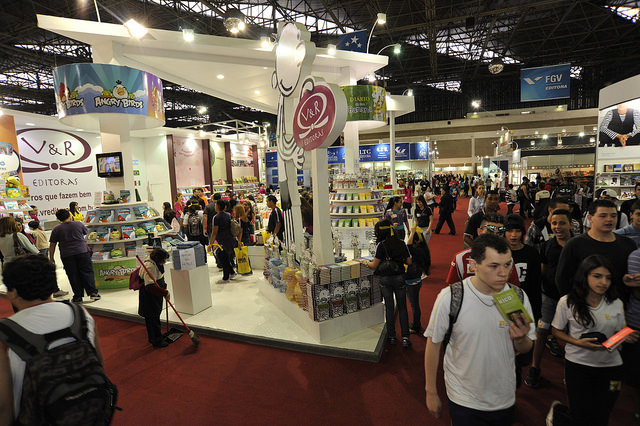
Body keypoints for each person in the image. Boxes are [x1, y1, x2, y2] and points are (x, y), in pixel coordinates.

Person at [424, 234, 535, 425]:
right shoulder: (451, 297)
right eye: (494, 266)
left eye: (508, 265)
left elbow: (526, 348)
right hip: (463, 398)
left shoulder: (516, 296)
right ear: (474, 265)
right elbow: (433, 344)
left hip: (504, 397)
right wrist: (431, 391)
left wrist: (520, 339)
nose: (503, 273)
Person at [0, 254, 104, 423]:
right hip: (87, 412)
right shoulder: (79, 314)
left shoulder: (5, 332)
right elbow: (98, 362)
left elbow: (3, 405)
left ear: (13, 292)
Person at [548, 255, 639, 426]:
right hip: (578, 365)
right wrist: (577, 342)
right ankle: (559, 414)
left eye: (608, 278)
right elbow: (556, 330)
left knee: (602, 415)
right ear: (585, 275)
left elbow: (621, 330)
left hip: (611, 367)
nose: (603, 282)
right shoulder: (567, 302)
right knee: (579, 415)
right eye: (597, 276)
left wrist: (626, 336)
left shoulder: (616, 303)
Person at [525, 209, 573, 388]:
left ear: (570, 224)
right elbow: (543, 269)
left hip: (572, 300)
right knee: (542, 332)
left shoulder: (577, 245)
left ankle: (571, 374)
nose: (557, 227)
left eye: (562, 223)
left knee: (571, 335)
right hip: (549, 297)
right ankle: (535, 368)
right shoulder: (547, 245)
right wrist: (542, 290)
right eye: (554, 223)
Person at [556, 199, 637, 298]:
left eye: (613, 216)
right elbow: (562, 279)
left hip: (617, 306)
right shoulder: (575, 244)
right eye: (603, 216)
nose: (609, 219)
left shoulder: (627, 244)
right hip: (583, 305)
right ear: (590, 218)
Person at [361, 219, 412, 348]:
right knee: (402, 308)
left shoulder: (381, 245)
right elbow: (409, 262)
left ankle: (392, 336)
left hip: (385, 279)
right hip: (399, 277)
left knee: (389, 307)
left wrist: (365, 262)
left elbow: (374, 265)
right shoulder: (401, 243)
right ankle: (405, 337)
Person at [446, 213, 520, 286]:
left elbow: (513, 288)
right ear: (479, 232)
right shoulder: (461, 258)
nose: (494, 237)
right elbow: (453, 290)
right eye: (490, 232)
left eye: (499, 234)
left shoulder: (507, 260)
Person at [49, 209, 100, 303]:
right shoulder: (78, 224)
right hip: (82, 252)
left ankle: (78, 296)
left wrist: (51, 258)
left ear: (59, 219)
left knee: (73, 275)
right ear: (69, 215)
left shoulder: (56, 229)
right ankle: (93, 293)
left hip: (67, 255)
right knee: (87, 272)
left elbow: (52, 244)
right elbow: (85, 233)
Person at [138, 248, 171, 348]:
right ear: (159, 258)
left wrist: (163, 285)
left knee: (156, 315)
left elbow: (158, 277)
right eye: (164, 260)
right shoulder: (150, 266)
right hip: (149, 296)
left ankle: (157, 336)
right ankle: (156, 340)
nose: (165, 262)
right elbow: (150, 286)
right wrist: (164, 292)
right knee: (152, 318)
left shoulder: (156, 263)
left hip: (155, 294)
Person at [406, 223, 429, 333]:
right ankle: (416, 324)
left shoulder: (416, 249)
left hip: (412, 281)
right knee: (414, 304)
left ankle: (416, 326)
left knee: (414, 305)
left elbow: (408, 246)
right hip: (416, 279)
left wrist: (413, 232)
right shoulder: (422, 248)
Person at [209, 199, 237, 283]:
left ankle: (226, 276)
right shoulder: (228, 215)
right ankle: (231, 272)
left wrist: (211, 243)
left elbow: (214, 232)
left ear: (218, 206)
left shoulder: (216, 217)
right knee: (226, 256)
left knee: (222, 256)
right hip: (230, 238)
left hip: (221, 240)